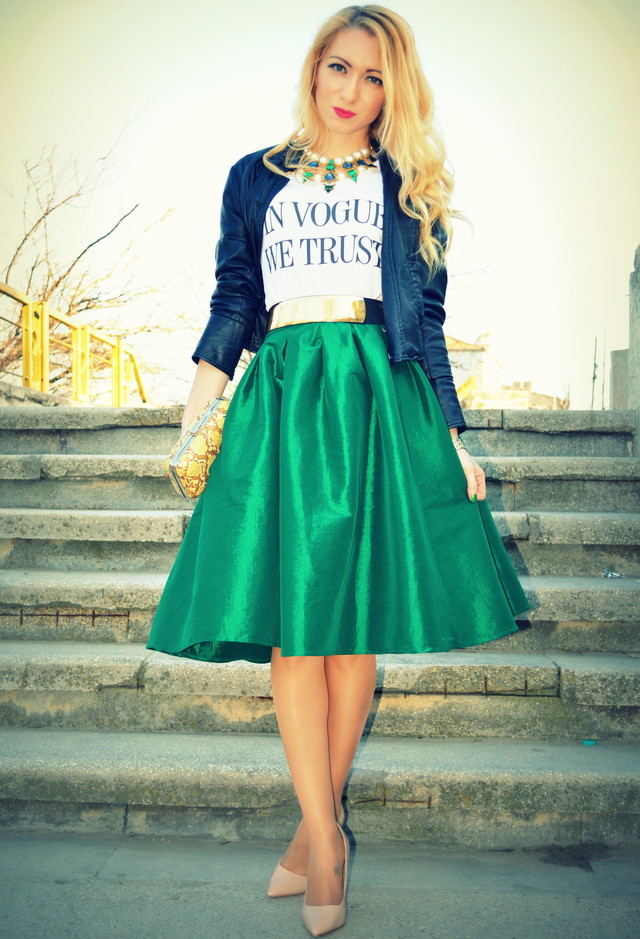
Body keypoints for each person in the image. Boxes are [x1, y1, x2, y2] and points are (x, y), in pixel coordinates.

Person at [146, 5, 533, 935]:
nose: (353, 91)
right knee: (295, 632)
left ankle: (316, 832)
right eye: (339, 68)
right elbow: (235, 298)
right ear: (313, 68)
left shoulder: (406, 187)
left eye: (374, 78)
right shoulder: (254, 177)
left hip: (374, 398)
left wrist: (451, 437)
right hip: (283, 396)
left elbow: (426, 327)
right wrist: (196, 417)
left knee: (351, 629)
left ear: (391, 92)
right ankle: (327, 837)